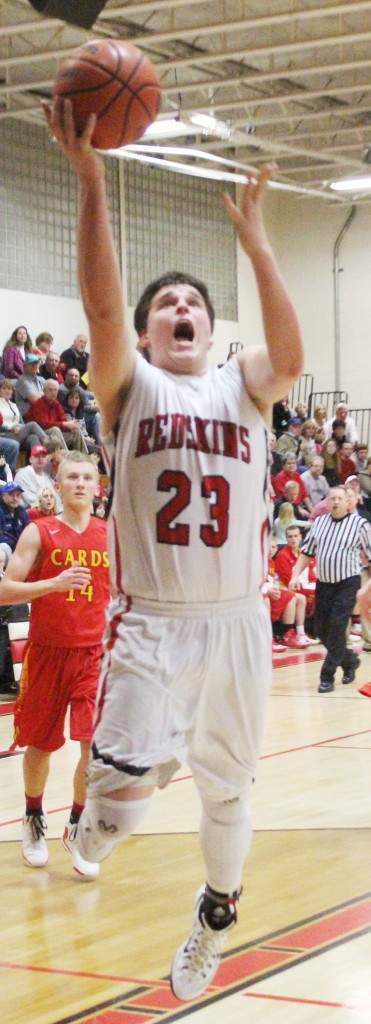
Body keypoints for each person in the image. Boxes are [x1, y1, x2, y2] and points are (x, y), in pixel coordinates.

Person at [44, 97, 303, 1002]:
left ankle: (214, 919)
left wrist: (256, 240)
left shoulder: (245, 385)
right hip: (150, 621)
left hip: (234, 624)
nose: (181, 309)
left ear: (210, 328)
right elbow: (102, 302)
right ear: (149, 334)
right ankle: (112, 802)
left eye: (194, 302)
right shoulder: (132, 385)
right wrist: (90, 183)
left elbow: (291, 353)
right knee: (117, 807)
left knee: (229, 797)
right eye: (167, 305)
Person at [0, 452, 110, 875]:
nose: (80, 483)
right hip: (47, 652)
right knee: (40, 746)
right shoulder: (38, 532)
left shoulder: (110, 535)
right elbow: (6, 589)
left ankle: (79, 826)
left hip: (92, 655)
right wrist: (53, 584)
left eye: (87, 477)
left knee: (94, 749)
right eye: (72, 477)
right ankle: (33, 816)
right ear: (58, 486)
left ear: (96, 486)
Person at [290, 486, 371, 692]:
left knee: (336, 627)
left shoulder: (360, 524)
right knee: (320, 630)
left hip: (347, 582)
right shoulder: (319, 523)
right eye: (332, 498)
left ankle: (327, 675)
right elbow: (306, 552)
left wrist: (367, 588)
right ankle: (349, 660)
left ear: (347, 502)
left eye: (339, 498)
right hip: (323, 583)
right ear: (326, 502)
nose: (335, 502)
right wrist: (294, 575)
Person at [263, 535, 308, 651]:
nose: (270, 550)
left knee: (295, 597)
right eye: (268, 547)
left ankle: (292, 634)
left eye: (273, 547)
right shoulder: (259, 562)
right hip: (260, 594)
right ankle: (268, 638)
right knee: (270, 598)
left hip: (271, 591)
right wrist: (268, 590)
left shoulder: (272, 562)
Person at [25, 378, 88, 451]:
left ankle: (85, 458)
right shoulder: (38, 404)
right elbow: (43, 424)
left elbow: (63, 420)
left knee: (76, 430)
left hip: (55, 435)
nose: (53, 392)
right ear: (44, 391)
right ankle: (65, 457)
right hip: (40, 434)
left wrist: (70, 426)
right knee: (55, 429)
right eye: (50, 390)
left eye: (55, 390)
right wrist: (64, 424)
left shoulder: (56, 404)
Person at [0, 377, 47, 453]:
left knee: (33, 437)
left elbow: (22, 423)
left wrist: (19, 427)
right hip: (4, 435)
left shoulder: (14, 405)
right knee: (32, 424)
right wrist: (11, 428)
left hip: (18, 433)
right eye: (4, 388)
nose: (7, 391)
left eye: (9, 389)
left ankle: (38, 460)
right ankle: (51, 445)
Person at [14, 445, 61, 510]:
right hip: (31, 516)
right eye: (37, 456)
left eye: (43, 456)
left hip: (49, 513)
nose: (40, 458)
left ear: (46, 460)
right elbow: (34, 501)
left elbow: (56, 498)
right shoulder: (23, 474)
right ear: (30, 459)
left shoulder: (47, 478)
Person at [0, 481, 28, 564]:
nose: (15, 498)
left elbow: (27, 533)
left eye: (18, 495)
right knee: (4, 547)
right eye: (11, 494)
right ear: (3, 495)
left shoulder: (22, 512)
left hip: (19, 550)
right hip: (4, 550)